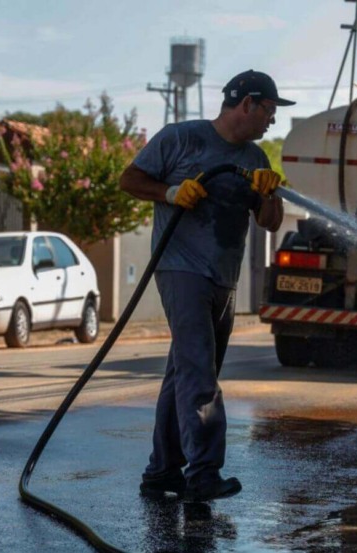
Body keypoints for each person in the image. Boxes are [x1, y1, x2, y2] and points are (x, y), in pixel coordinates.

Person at [119, 69, 294, 502]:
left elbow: (269, 222)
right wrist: (170, 192)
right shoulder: (180, 139)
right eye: (269, 110)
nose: (272, 119)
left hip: (224, 277)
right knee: (198, 372)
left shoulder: (255, 159)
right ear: (247, 104)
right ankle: (203, 474)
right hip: (181, 269)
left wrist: (270, 196)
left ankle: (162, 471)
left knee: (187, 371)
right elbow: (130, 180)